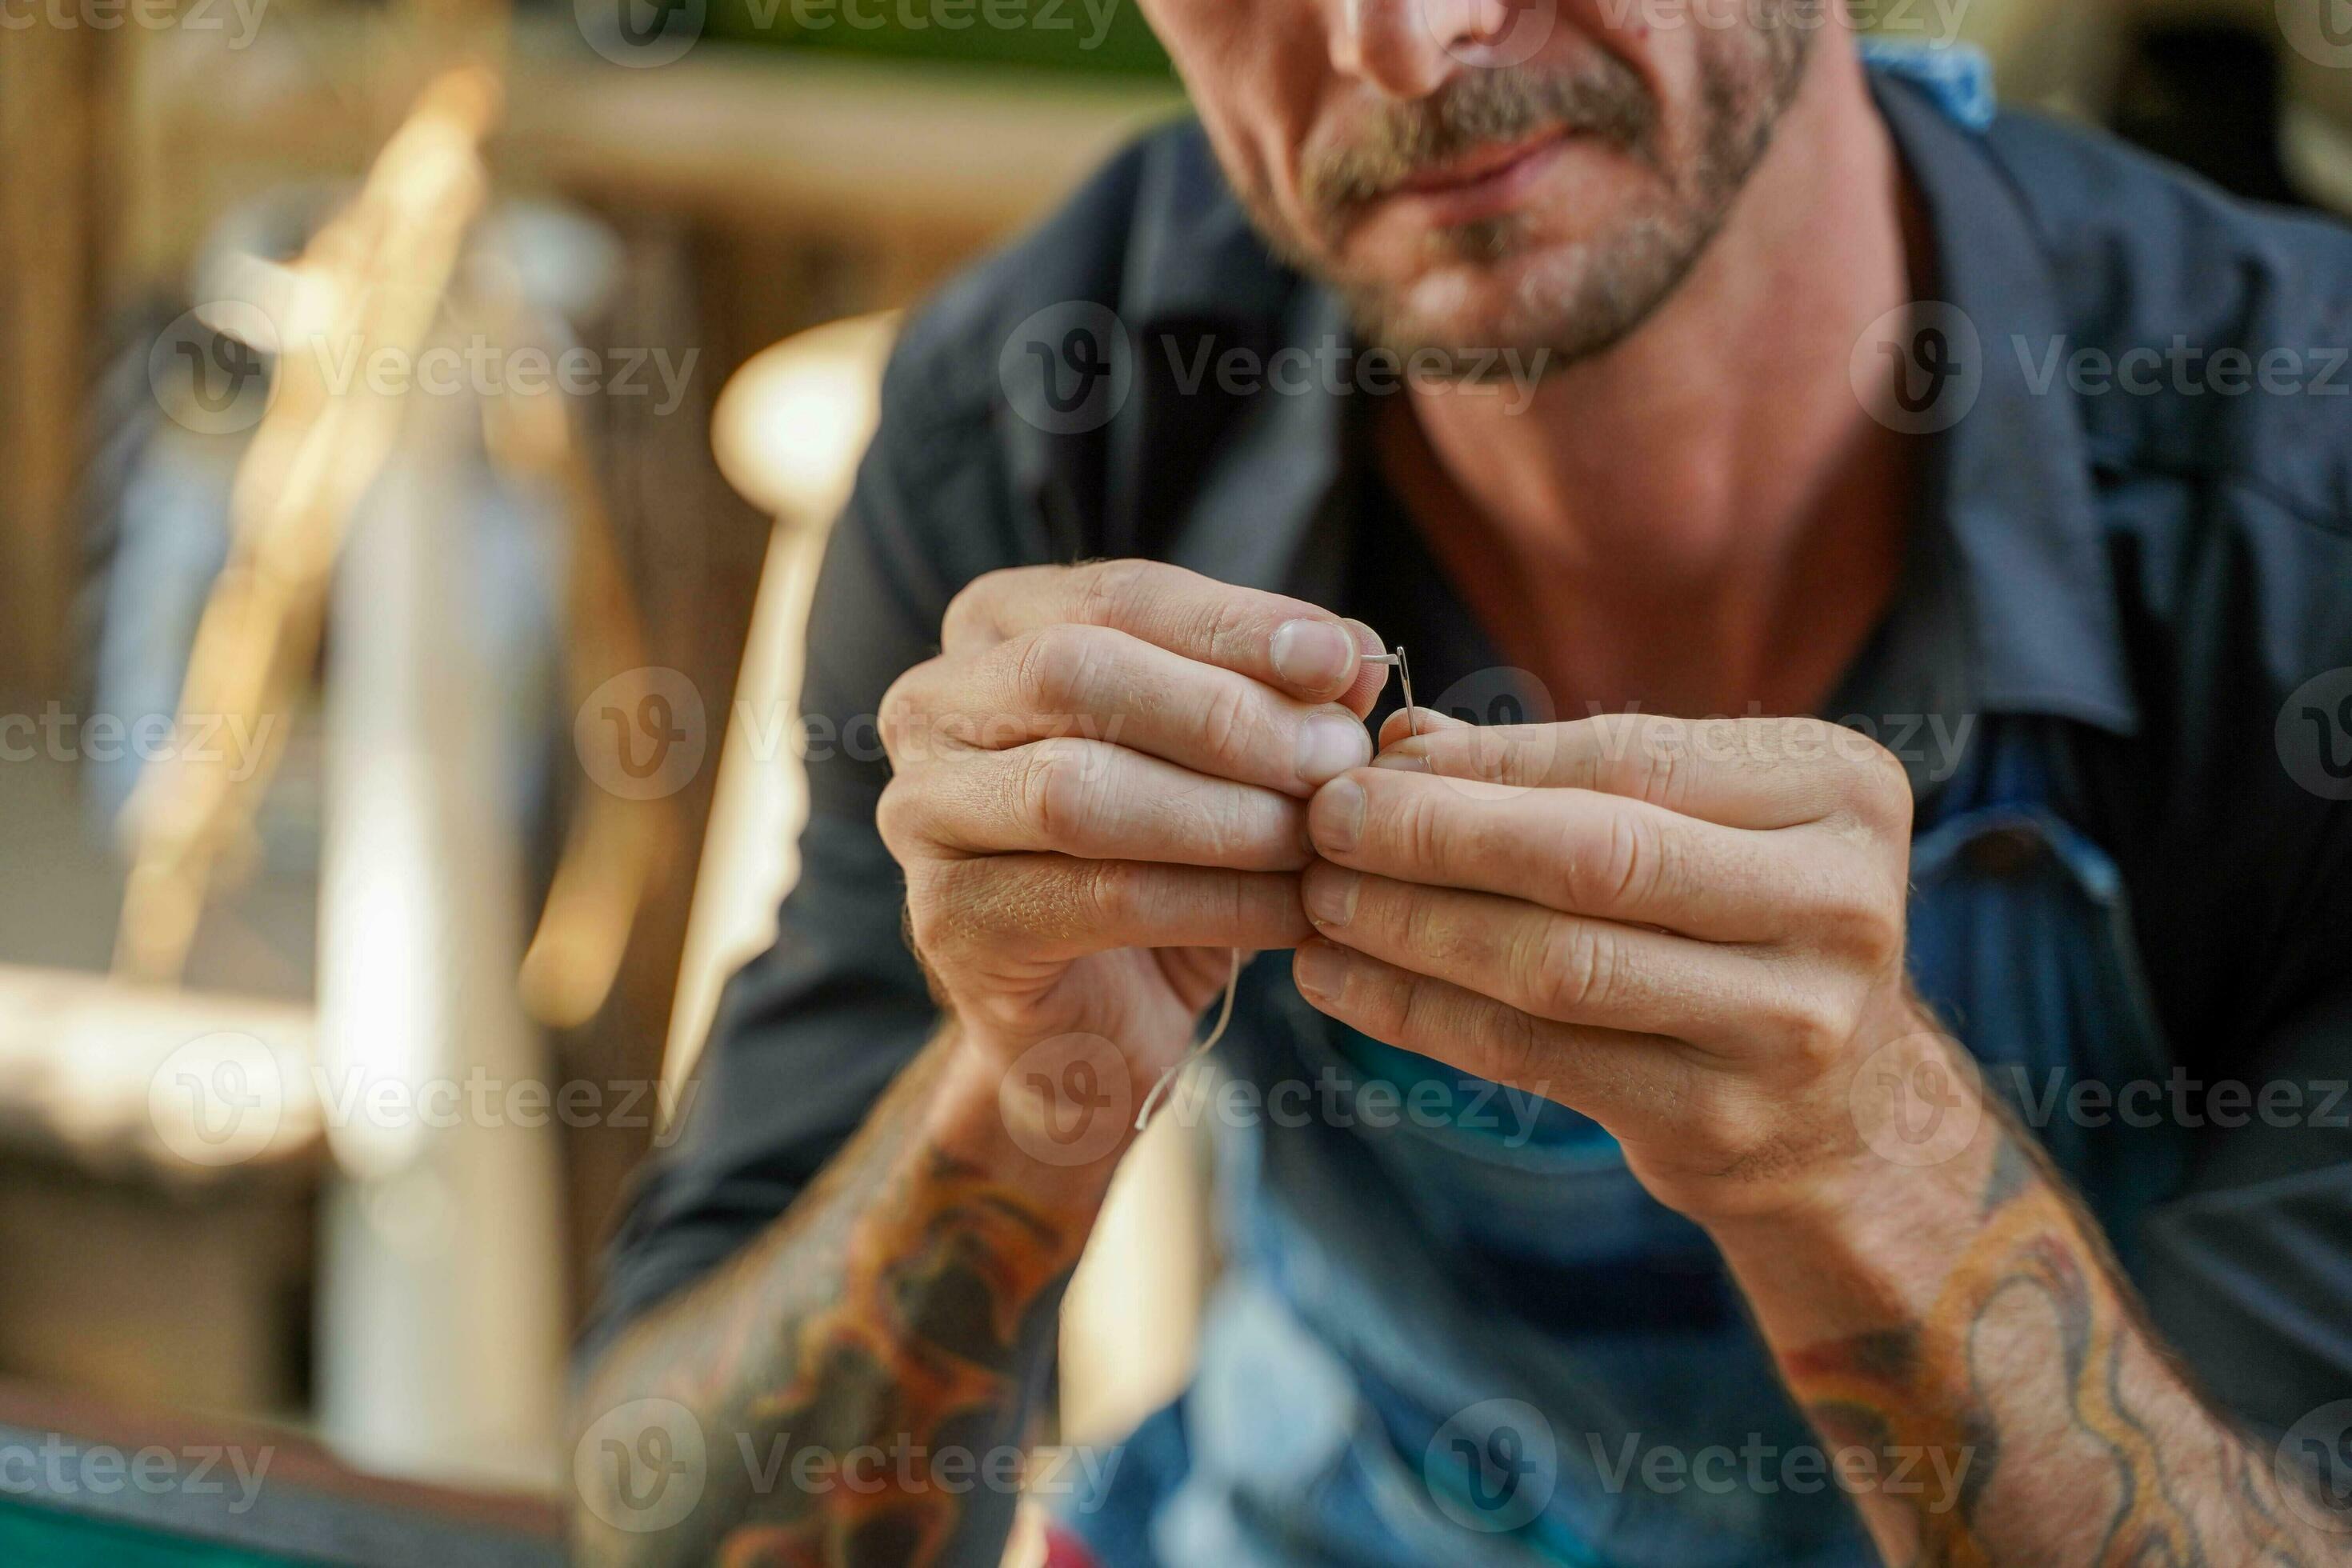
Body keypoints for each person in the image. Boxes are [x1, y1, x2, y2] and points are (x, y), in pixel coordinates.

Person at [572, 2, 2352, 1562]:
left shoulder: (2302, 509)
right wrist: (1023, 1089)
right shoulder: (1051, 414)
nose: (1405, 44)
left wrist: (1872, 1155)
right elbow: (669, 1516)